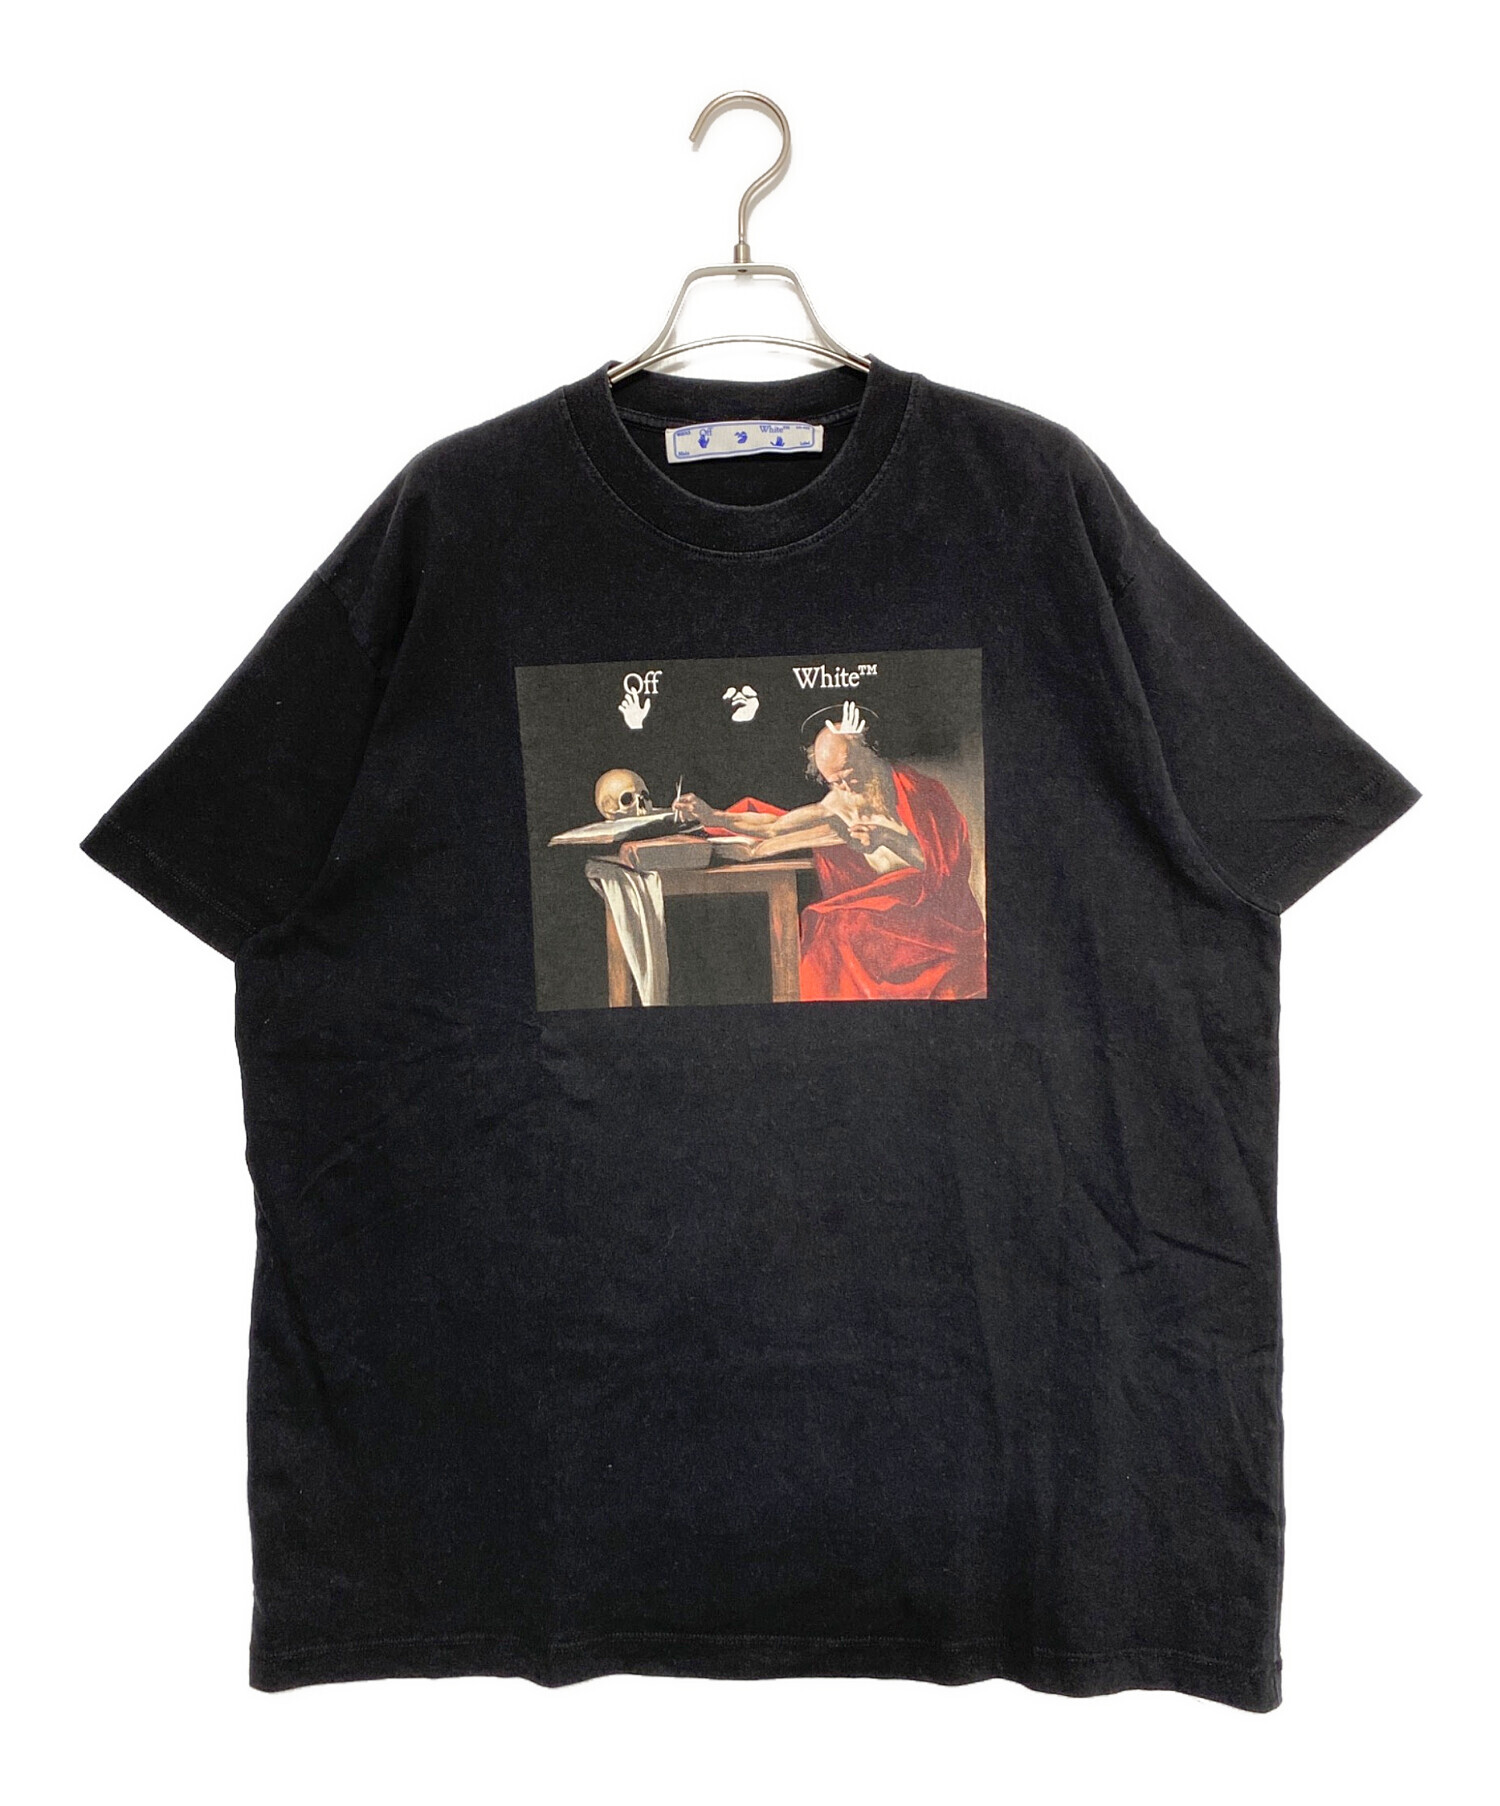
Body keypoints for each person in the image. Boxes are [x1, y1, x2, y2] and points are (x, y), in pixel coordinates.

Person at [673, 702, 987, 1001]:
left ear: (869, 754)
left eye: (850, 775)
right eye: (835, 782)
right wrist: (715, 816)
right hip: (878, 909)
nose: (846, 787)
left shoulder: (916, 791)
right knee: (827, 925)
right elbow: (773, 826)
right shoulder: (837, 802)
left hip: (932, 915)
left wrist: (887, 837)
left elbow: (939, 868)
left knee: (841, 926)